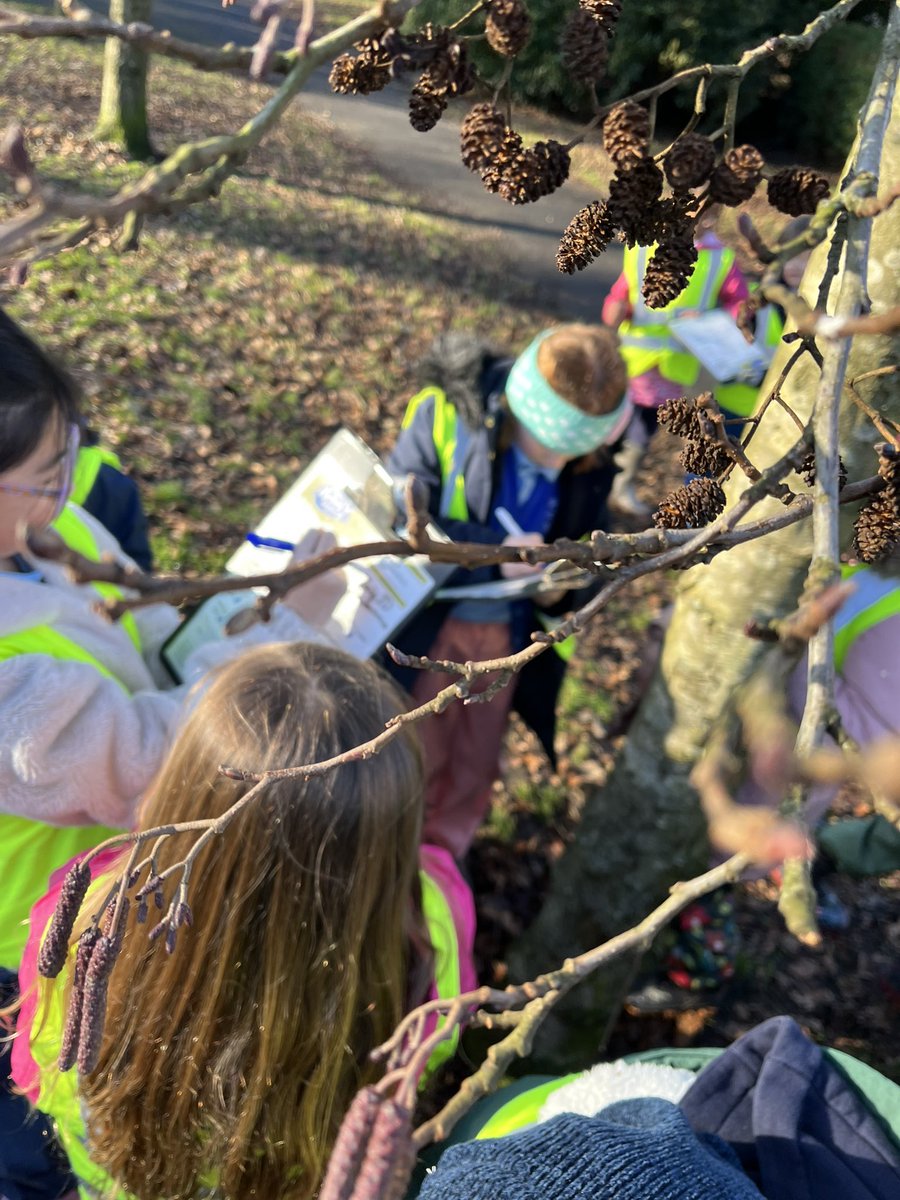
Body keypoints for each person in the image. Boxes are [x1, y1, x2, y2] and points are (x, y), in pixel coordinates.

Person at [0, 309, 345, 1196]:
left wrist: (256, 618)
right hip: (33, 952)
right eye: (45, 476)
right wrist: (282, 643)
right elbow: (149, 764)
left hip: (109, 906)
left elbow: (160, 649)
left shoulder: (58, 536)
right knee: (36, 1140)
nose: (66, 493)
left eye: (69, 458)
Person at [11, 642, 476, 1200]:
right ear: (394, 830)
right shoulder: (437, 923)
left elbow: (36, 1068)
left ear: (179, 790)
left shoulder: (89, 910)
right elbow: (434, 1046)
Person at [386, 324, 632, 859]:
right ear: (520, 408)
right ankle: (393, 856)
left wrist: (557, 593)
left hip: (506, 641)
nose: (558, 463)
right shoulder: (446, 415)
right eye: (548, 448)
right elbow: (396, 519)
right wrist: (497, 553)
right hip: (430, 629)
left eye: (575, 452)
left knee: (475, 761)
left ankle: (442, 863)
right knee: (413, 753)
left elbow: (584, 556)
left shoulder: (585, 465)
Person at [601, 210, 750, 516]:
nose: (696, 223)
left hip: (683, 368)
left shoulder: (719, 258)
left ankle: (690, 498)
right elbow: (622, 293)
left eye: (706, 217)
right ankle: (616, 485)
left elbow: (740, 304)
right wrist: (615, 310)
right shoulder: (644, 248)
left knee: (690, 434)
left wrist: (712, 319)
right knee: (631, 428)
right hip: (639, 363)